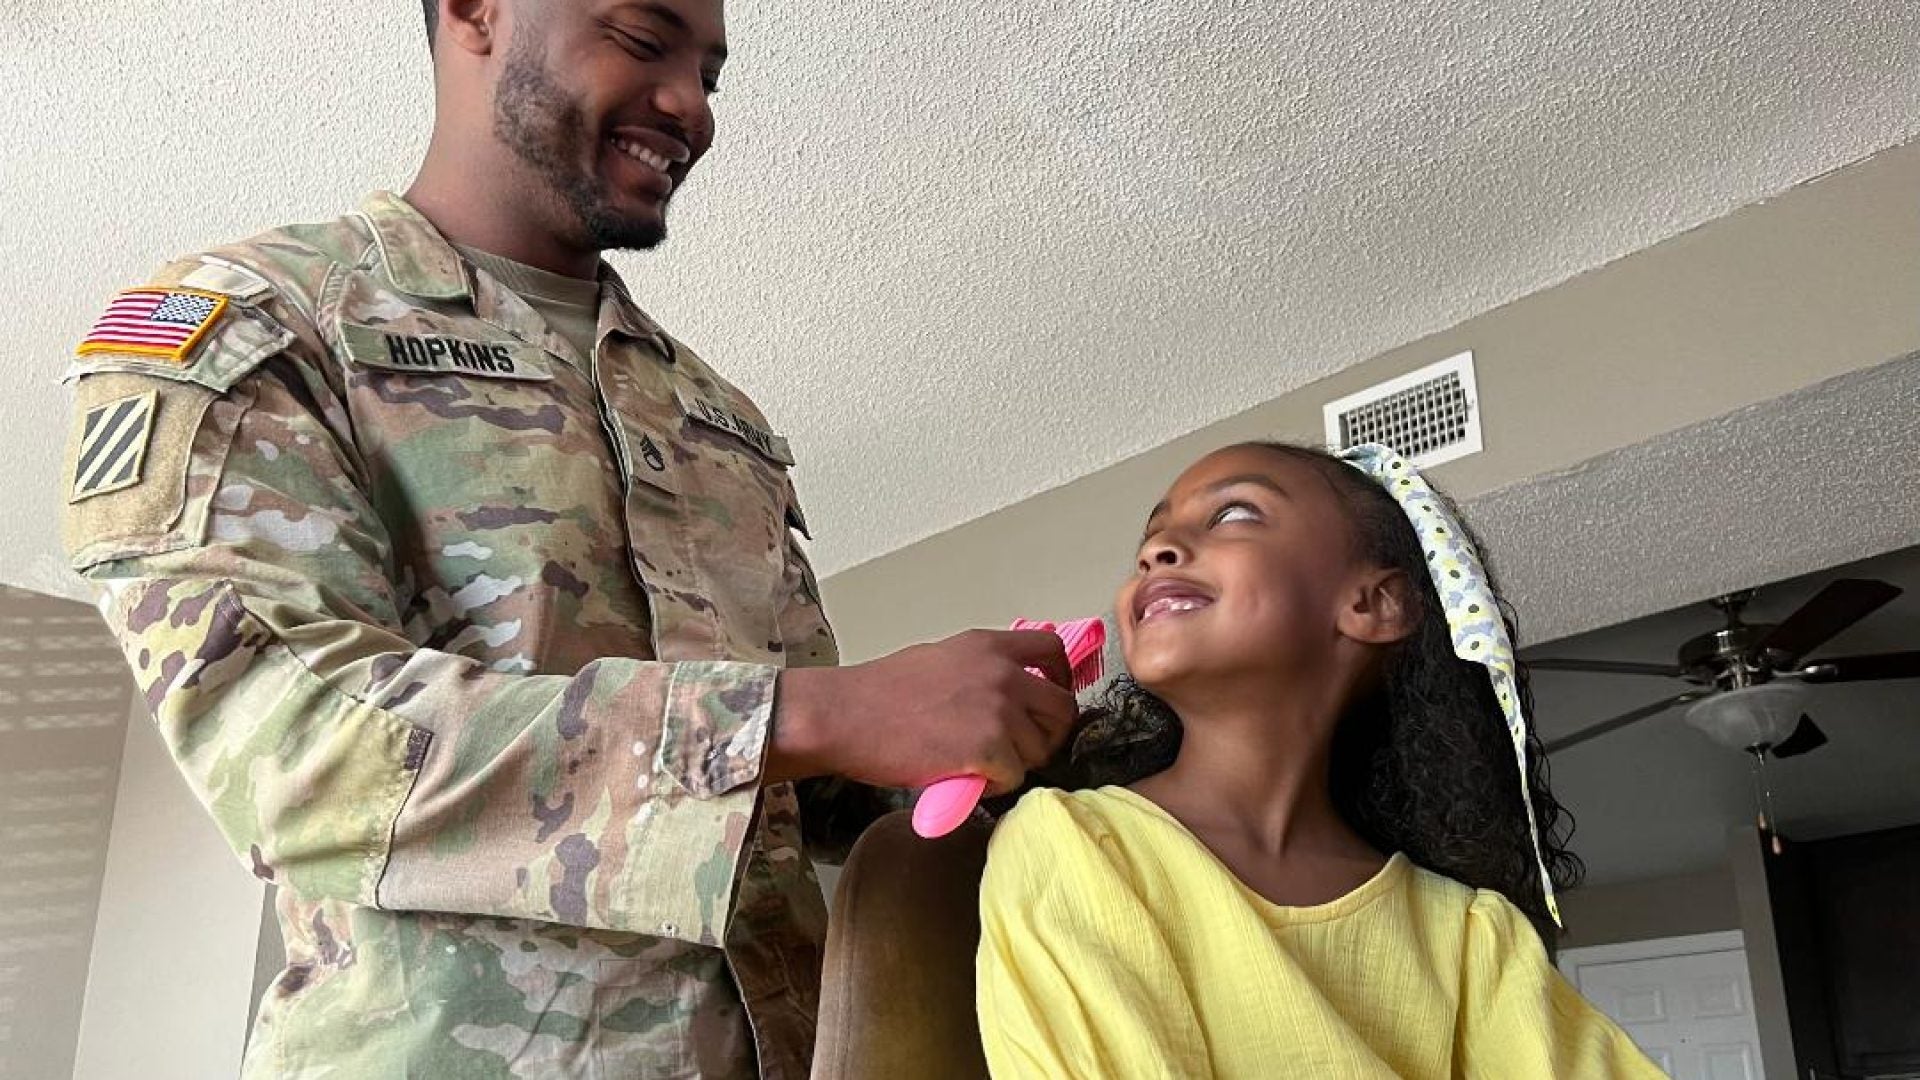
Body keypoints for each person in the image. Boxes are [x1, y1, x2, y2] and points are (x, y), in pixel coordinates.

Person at [57, 0, 1077, 1075]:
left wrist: (1009, 733)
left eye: (710, 74)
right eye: (643, 39)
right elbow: (300, 761)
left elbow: (811, 796)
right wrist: (817, 712)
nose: (691, 106)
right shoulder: (258, 325)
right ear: (474, 11)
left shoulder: (711, 410)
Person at [975, 442, 1665, 1078]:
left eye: (1235, 513)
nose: (1158, 550)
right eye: (1149, 540)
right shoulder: (1073, 847)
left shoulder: (1470, 939)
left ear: (1374, 602)